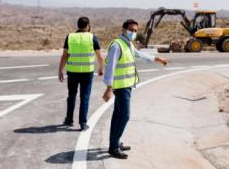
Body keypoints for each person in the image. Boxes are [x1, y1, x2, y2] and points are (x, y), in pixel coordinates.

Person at [102, 19, 169, 159]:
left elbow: (141, 55)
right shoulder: (117, 45)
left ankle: (115, 142)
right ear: (123, 29)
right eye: (131, 29)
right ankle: (113, 147)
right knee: (125, 116)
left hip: (126, 85)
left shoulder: (128, 45)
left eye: (135, 30)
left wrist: (158, 59)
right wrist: (108, 88)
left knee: (118, 115)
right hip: (121, 87)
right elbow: (110, 67)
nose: (133, 32)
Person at [58, 17, 104, 131]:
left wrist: (60, 70)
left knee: (71, 96)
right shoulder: (92, 37)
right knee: (85, 97)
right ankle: (83, 123)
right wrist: (101, 68)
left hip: (72, 72)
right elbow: (100, 56)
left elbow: (65, 55)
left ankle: (69, 119)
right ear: (88, 25)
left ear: (78, 25)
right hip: (87, 73)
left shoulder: (70, 37)